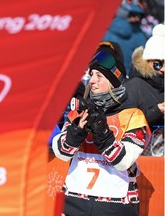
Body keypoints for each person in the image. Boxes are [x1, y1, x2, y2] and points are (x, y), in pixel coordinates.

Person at [52, 41, 150, 216]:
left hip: (116, 206)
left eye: (99, 76)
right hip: (75, 203)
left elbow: (124, 161)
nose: (92, 81)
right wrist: (76, 133)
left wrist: (103, 132)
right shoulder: (81, 111)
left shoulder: (132, 115)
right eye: (91, 75)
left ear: (113, 82)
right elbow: (60, 152)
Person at [125, 23, 165, 155]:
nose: (163, 69)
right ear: (147, 61)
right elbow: (126, 124)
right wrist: (157, 110)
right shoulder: (133, 85)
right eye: (158, 64)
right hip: (139, 155)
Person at [102, 1, 147, 77]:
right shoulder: (139, 36)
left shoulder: (108, 27)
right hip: (125, 75)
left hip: (104, 70)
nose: (136, 19)